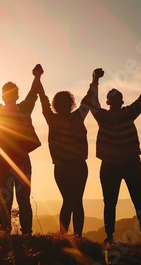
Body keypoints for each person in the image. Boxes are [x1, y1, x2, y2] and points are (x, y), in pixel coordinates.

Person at [88, 68, 141, 244]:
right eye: (114, 97)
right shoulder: (121, 114)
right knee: (126, 200)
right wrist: (95, 80)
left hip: (123, 163)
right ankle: (125, 235)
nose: (115, 100)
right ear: (111, 101)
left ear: (111, 101)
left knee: (127, 200)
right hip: (124, 163)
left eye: (116, 97)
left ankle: (135, 235)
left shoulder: (109, 115)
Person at [0, 64, 41, 235]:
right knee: (10, 199)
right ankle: (10, 233)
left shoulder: (3, 110)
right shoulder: (15, 109)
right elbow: (32, 95)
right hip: (11, 160)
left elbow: (32, 95)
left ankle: (19, 233)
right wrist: (37, 76)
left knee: (18, 199)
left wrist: (37, 76)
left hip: (10, 160)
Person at [35, 66, 96, 237]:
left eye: (65, 102)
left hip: (78, 165)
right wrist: (38, 78)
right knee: (69, 200)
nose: (62, 105)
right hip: (62, 167)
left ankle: (76, 236)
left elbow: (88, 99)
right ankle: (64, 236)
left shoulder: (77, 116)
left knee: (76, 201)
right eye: (59, 103)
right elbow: (42, 99)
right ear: (56, 105)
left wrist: (95, 80)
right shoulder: (52, 119)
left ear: (70, 104)